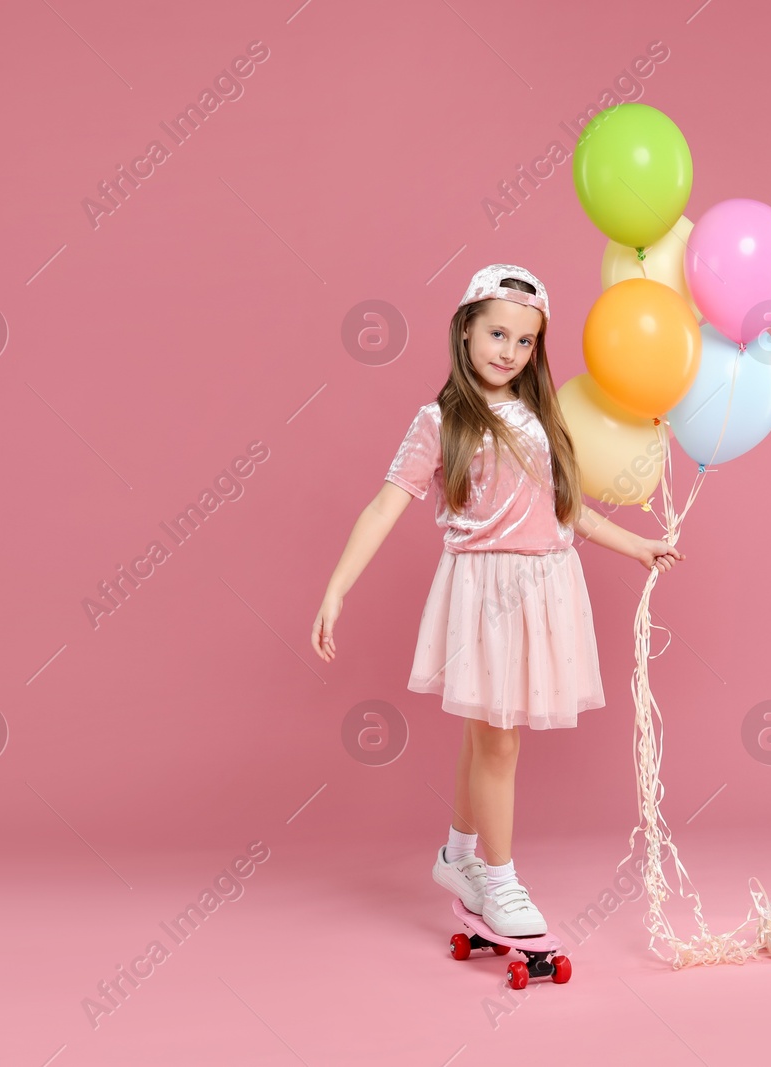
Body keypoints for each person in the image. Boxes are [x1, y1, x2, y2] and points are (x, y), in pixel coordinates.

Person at [310, 263, 683, 938]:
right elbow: (383, 505)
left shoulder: (542, 418)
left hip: (546, 584)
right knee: (499, 740)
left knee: (485, 729)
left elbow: (569, 512)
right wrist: (335, 589)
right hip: (485, 591)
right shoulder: (440, 420)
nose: (507, 351)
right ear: (465, 330)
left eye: (523, 341)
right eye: (496, 333)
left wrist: (638, 545)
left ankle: (458, 855)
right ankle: (501, 878)